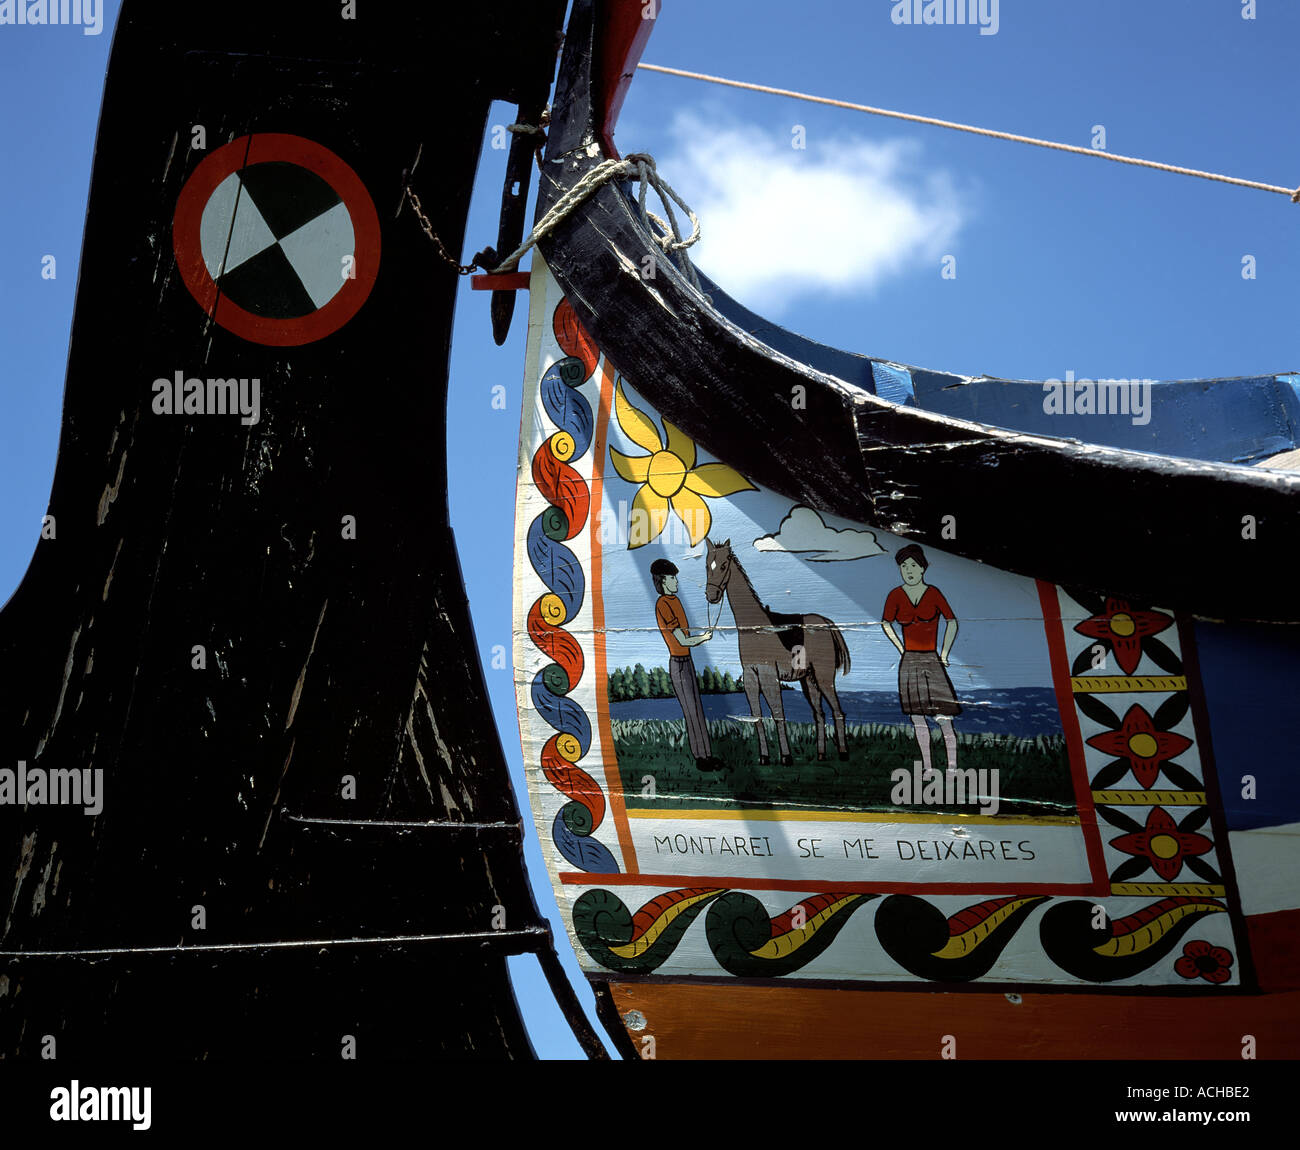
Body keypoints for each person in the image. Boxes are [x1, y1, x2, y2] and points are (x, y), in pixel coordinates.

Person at [880, 544, 961, 773]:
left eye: (913, 565)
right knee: (917, 719)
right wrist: (900, 647)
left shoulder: (933, 592)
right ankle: (928, 767)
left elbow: (951, 621)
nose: (909, 570)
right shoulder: (895, 595)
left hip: (932, 660)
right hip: (910, 661)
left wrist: (944, 652)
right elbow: (885, 622)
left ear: (923, 568)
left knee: (945, 717)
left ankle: (953, 766)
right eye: (904, 566)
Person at [650, 558, 723, 771]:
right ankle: (701, 757)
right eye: (672, 578)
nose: (676, 582)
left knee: (698, 709)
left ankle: (707, 754)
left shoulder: (675, 601)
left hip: (687, 662)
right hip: (679, 664)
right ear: (663, 581)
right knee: (691, 711)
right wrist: (703, 638)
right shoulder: (663, 604)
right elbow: (682, 640)